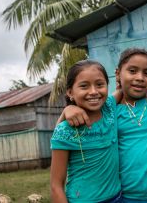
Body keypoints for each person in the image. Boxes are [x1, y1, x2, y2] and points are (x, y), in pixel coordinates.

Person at [61, 48, 147, 202]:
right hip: (127, 196)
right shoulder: (110, 112)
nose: (139, 77)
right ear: (118, 74)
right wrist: (68, 109)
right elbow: (60, 133)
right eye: (132, 71)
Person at [50, 60, 122, 203]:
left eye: (100, 85)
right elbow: (56, 185)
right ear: (70, 92)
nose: (94, 92)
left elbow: (127, 88)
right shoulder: (65, 130)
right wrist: (66, 110)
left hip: (117, 197)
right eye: (84, 86)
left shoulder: (109, 107)